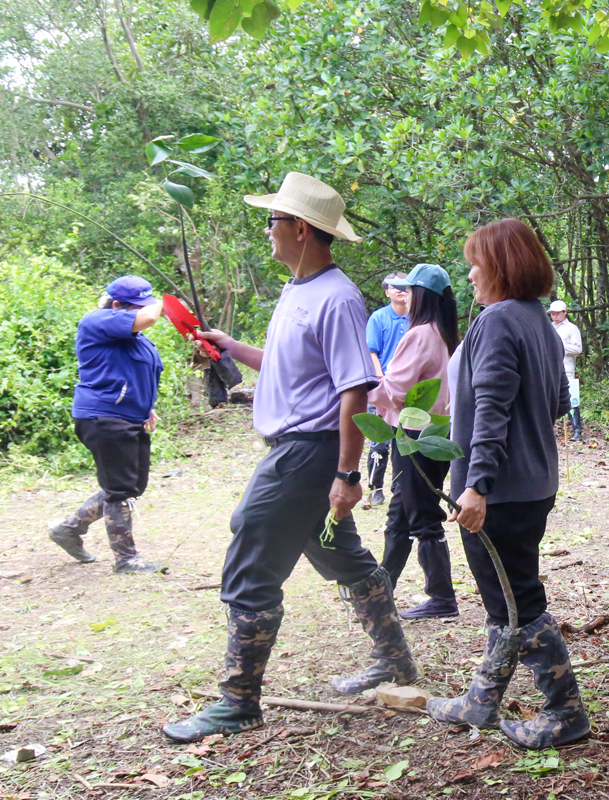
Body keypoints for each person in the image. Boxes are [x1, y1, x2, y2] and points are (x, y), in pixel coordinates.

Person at [162, 172, 417, 743]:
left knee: (251, 546)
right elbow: (288, 368)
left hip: (311, 450)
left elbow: (354, 390)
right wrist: (230, 347)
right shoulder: (297, 290)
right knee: (341, 555)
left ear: (300, 229)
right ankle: (395, 661)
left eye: (272, 222)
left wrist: (348, 476)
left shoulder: (338, 297)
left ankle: (238, 700)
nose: (268, 233)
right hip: (297, 445)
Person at [426, 218, 590, 750]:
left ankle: (565, 712)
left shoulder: (497, 320)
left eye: (477, 262)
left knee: (519, 600)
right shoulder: (537, 319)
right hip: (533, 481)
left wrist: (477, 485)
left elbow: (492, 409)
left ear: (498, 266)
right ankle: (481, 699)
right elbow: (560, 402)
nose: (470, 273)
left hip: (500, 490)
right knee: (505, 600)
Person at [48, 275, 165, 574]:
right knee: (119, 490)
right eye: (138, 306)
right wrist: (168, 305)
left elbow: (133, 372)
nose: (146, 310)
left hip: (128, 417)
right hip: (102, 416)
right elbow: (150, 316)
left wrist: (146, 406)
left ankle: (69, 529)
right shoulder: (97, 321)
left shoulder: (136, 340)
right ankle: (126, 559)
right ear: (116, 305)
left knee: (131, 485)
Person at [368, 263, 460, 620]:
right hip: (435, 432)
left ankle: (441, 597)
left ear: (423, 296)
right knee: (400, 512)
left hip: (415, 434)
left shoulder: (420, 334)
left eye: (409, 290)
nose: (403, 295)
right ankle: (382, 587)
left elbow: (396, 390)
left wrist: (357, 389)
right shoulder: (445, 333)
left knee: (421, 515)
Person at [365, 273, 410, 505]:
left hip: (409, 391)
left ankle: (399, 486)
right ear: (387, 292)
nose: (400, 291)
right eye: (395, 287)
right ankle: (375, 487)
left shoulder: (417, 318)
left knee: (403, 439)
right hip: (383, 388)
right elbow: (371, 351)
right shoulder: (379, 318)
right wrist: (380, 378)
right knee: (379, 441)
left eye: (404, 286)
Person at [549, 300, 583, 440]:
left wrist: (559, 346)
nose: (555, 317)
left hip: (567, 369)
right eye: (552, 314)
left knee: (571, 400)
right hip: (550, 368)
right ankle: (548, 430)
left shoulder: (571, 328)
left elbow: (578, 349)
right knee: (550, 398)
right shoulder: (549, 327)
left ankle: (577, 431)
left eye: (557, 313)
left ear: (565, 312)